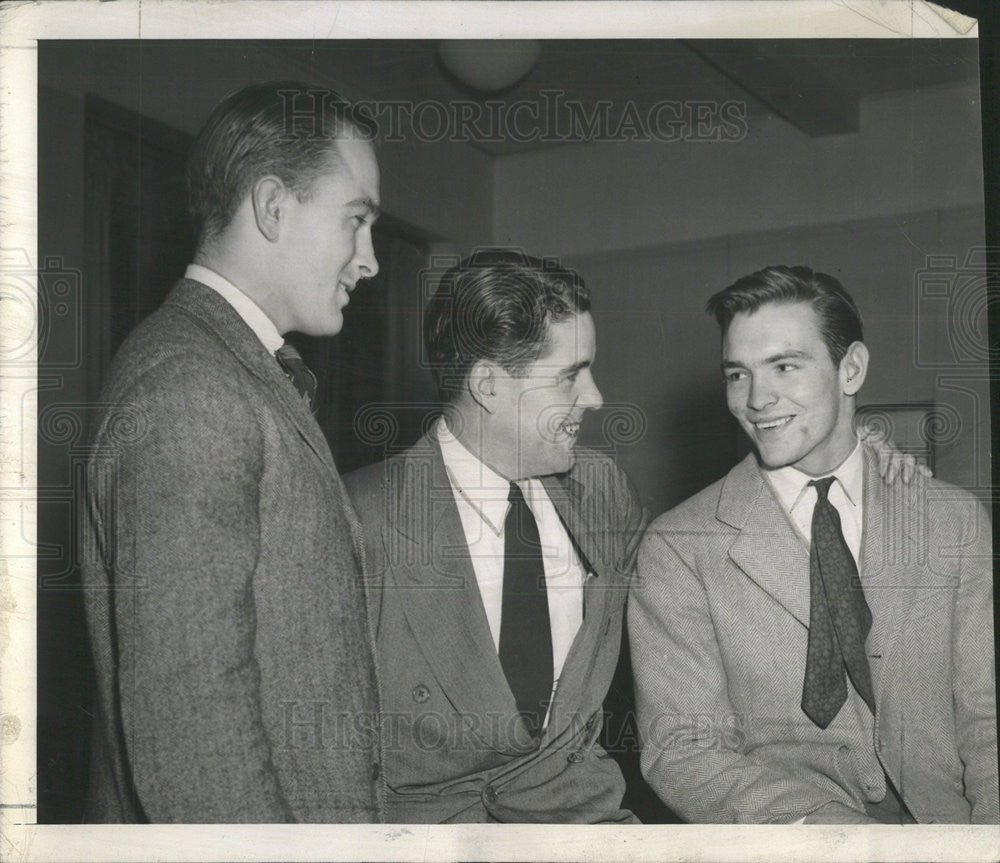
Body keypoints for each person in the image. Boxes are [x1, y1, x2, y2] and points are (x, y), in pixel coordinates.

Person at [81, 81, 384, 822]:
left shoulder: (227, 368)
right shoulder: (194, 388)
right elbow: (195, 739)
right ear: (273, 207)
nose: (369, 259)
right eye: (357, 221)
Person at [629, 265, 997, 824]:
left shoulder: (953, 521)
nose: (756, 399)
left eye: (784, 366)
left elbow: (986, 719)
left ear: (850, 368)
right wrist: (833, 835)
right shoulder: (680, 547)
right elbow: (683, 750)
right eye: (737, 374)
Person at [344, 249, 647, 823]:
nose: (595, 397)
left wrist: (846, 461)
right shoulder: (359, 519)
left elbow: (697, 565)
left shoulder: (602, 491)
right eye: (568, 376)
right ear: (487, 383)